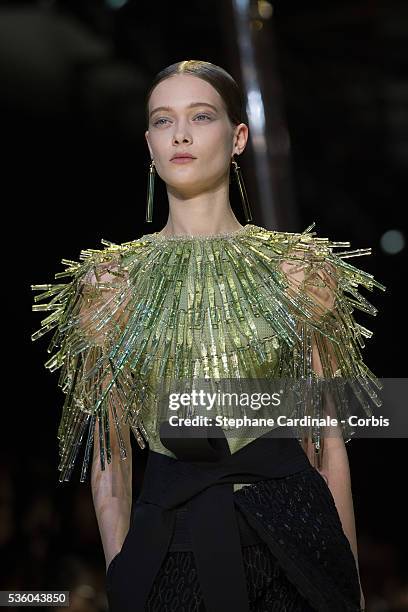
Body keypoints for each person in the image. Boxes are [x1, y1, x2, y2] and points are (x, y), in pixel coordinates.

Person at [31, 60, 386, 612]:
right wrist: (122, 574)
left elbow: (328, 442)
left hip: (299, 534)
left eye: (200, 116)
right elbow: (110, 455)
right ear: (148, 143)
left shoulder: (299, 268)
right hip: (172, 542)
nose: (180, 134)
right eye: (162, 120)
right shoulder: (110, 283)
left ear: (238, 136)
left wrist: (352, 583)